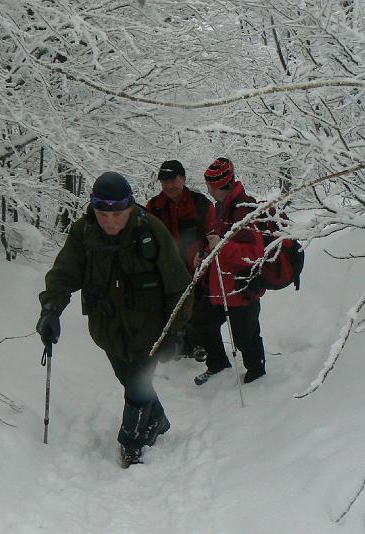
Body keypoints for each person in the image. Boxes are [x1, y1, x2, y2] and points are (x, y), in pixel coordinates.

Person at [36, 171, 193, 468]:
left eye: (118, 214)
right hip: (107, 330)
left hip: (150, 329)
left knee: (137, 386)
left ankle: (131, 444)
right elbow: (64, 273)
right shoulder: (84, 233)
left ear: (130, 207)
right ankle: (157, 420)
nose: (109, 221)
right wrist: (50, 310)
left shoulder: (150, 230)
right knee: (129, 380)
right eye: (102, 213)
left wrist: (177, 331)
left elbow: (179, 285)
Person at [191, 157, 267, 386]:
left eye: (210, 187)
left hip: (242, 288)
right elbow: (215, 238)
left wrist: (220, 247)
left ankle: (257, 376)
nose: (208, 191)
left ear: (221, 185)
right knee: (202, 322)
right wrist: (204, 254)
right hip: (219, 285)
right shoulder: (219, 208)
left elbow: (255, 253)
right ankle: (218, 364)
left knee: (246, 338)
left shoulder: (245, 210)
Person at [145, 160, 215, 362]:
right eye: (164, 182)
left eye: (172, 181)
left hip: (197, 267)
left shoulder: (200, 204)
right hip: (167, 269)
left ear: (183, 179)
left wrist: (204, 254)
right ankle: (178, 345)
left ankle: (199, 345)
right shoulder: (154, 207)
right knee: (172, 306)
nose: (168, 187)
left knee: (198, 307)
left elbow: (213, 235)